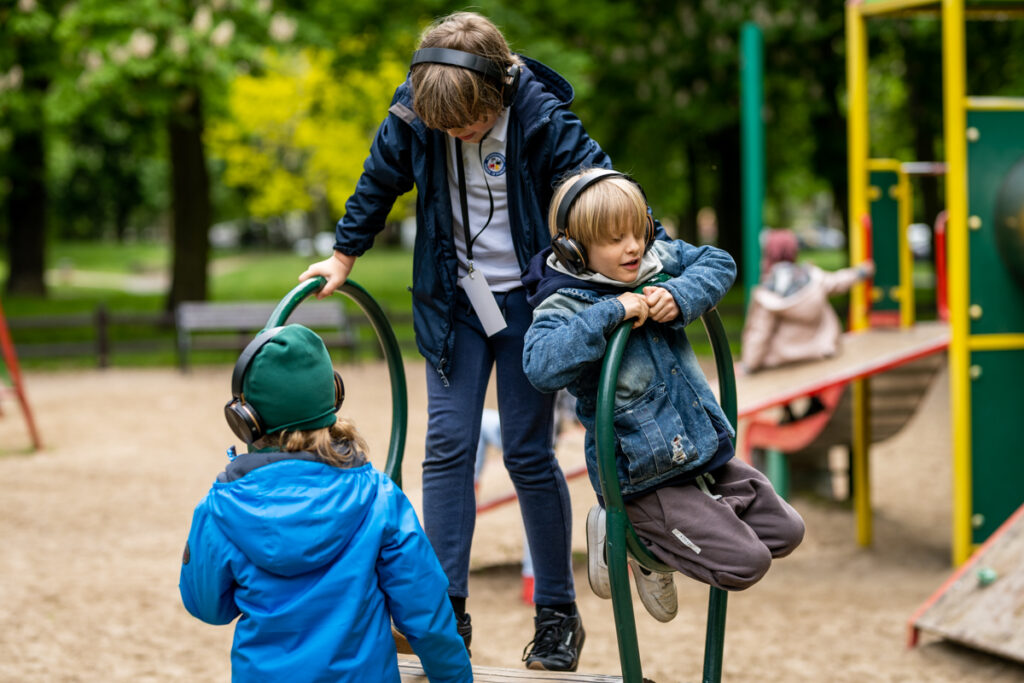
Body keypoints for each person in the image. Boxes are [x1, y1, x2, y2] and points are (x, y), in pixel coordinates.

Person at [299, 11, 629, 671]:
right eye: (447, 129)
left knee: (530, 452)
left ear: (497, 91)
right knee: (447, 445)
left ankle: (557, 614)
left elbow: (601, 186)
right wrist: (343, 256)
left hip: (535, 306)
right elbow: (378, 181)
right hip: (456, 304)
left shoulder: (538, 115)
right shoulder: (419, 114)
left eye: (470, 126)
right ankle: (445, 608)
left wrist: (633, 255)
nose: (459, 135)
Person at [522, 169, 805, 622]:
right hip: (642, 476)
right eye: (616, 240)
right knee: (747, 562)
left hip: (698, 449)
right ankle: (636, 535)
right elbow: (539, 365)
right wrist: (612, 310)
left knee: (786, 531)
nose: (633, 247)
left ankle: (675, 532)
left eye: (639, 232)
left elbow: (719, 262)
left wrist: (679, 293)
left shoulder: (654, 260)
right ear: (575, 250)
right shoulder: (565, 301)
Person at [179, 324, 472, 682]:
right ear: (333, 394)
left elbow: (208, 607)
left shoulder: (221, 508)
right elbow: (427, 617)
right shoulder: (379, 498)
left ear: (246, 420)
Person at [741, 228, 875, 373]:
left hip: (784, 361)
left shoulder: (769, 291)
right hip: (819, 353)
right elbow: (837, 281)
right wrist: (860, 272)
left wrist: (749, 364)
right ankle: (818, 397)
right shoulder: (813, 277)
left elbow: (760, 333)